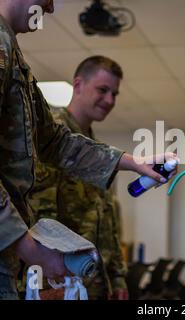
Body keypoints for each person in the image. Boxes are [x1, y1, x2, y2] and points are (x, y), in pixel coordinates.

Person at [0, 0, 176, 299]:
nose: (51, 8)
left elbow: (56, 140)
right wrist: (30, 249)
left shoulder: (12, 51)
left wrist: (134, 162)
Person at [28, 56, 129, 300]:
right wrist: (44, 284)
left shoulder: (98, 150)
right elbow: (39, 214)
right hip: (56, 278)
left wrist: (116, 276)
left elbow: (106, 216)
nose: (109, 100)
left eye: (114, 93)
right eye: (103, 90)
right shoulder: (47, 135)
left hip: (92, 280)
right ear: (78, 85)